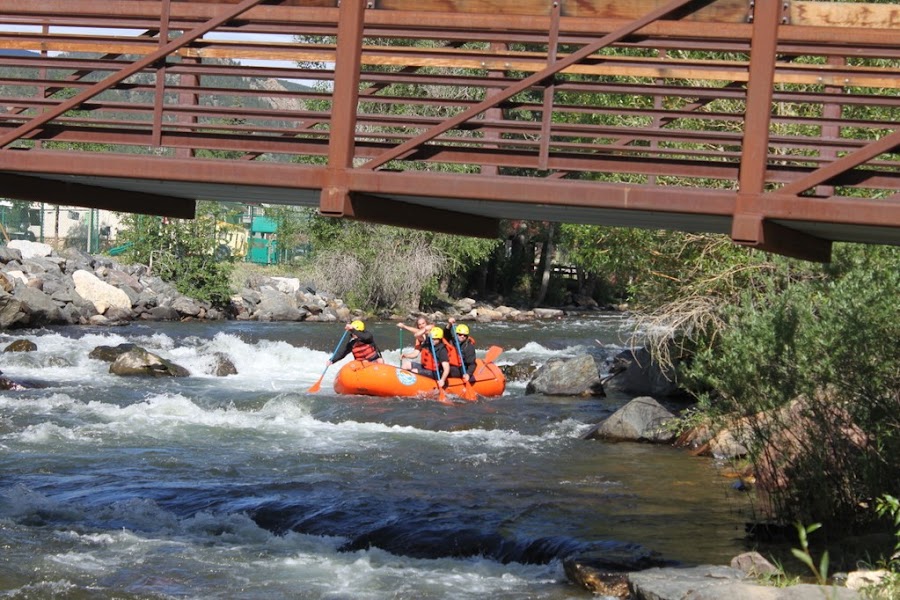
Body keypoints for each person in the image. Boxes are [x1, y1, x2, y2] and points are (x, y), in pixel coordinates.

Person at [446, 319, 477, 383]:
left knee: (452, 369)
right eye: (460, 334)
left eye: (464, 335)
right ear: (456, 334)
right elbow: (446, 333)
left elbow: (472, 364)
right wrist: (450, 324)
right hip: (450, 365)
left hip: (462, 368)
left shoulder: (469, 347)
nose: (462, 336)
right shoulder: (452, 341)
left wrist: (468, 374)